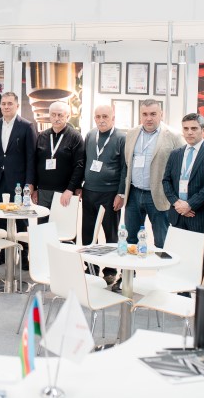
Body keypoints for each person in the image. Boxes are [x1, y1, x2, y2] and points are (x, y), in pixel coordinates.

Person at [161, 113, 204, 272]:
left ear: (203, 130)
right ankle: (180, 287)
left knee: (200, 259)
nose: (189, 132)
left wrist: (189, 205)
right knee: (177, 257)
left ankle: (202, 287)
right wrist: (177, 204)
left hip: (200, 214)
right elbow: (166, 181)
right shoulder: (176, 154)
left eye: (194, 128)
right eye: (186, 128)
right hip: (177, 214)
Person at [0, 92, 36, 266]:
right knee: (1, 216)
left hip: (19, 182)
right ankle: (3, 253)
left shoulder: (26, 126)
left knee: (21, 218)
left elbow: (31, 158)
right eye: (3, 103)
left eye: (10, 103)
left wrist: (30, 183)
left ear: (17, 106)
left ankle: (24, 255)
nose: (6, 106)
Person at [122, 98, 184, 248]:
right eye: (145, 114)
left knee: (162, 242)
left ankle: (162, 264)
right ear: (140, 115)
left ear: (161, 114)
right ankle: (132, 265)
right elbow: (127, 162)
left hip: (159, 195)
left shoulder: (174, 136)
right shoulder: (131, 133)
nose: (148, 118)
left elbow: (181, 168)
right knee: (130, 241)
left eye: (153, 114)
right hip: (133, 194)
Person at [80, 104, 126, 285]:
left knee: (111, 234)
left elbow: (125, 168)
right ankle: (91, 267)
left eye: (105, 116)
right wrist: (80, 186)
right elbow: (84, 161)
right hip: (89, 191)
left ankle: (110, 270)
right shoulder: (90, 135)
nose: (101, 120)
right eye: (98, 117)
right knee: (88, 233)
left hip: (110, 193)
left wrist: (121, 193)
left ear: (113, 118)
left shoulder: (121, 138)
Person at [33, 101, 84, 221]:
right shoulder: (42, 136)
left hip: (64, 192)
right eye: (53, 115)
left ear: (67, 116)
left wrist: (70, 189)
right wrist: (35, 188)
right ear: (49, 116)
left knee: (62, 228)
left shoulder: (75, 137)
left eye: (60, 115)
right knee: (43, 227)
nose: (56, 118)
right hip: (43, 191)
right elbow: (35, 163)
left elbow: (80, 165)